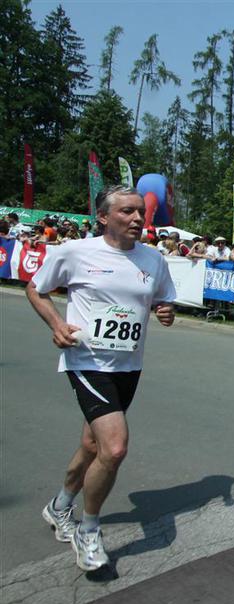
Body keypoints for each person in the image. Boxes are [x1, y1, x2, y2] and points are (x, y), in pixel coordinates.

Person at [26, 185, 176, 572]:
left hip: (129, 365)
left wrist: (163, 310)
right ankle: (88, 530)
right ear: (104, 217)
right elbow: (35, 289)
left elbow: (162, 298)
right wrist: (57, 324)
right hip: (87, 360)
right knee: (115, 448)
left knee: (92, 445)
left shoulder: (153, 259)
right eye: (127, 212)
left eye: (141, 212)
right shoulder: (74, 252)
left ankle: (59, 506)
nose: (137, 219)